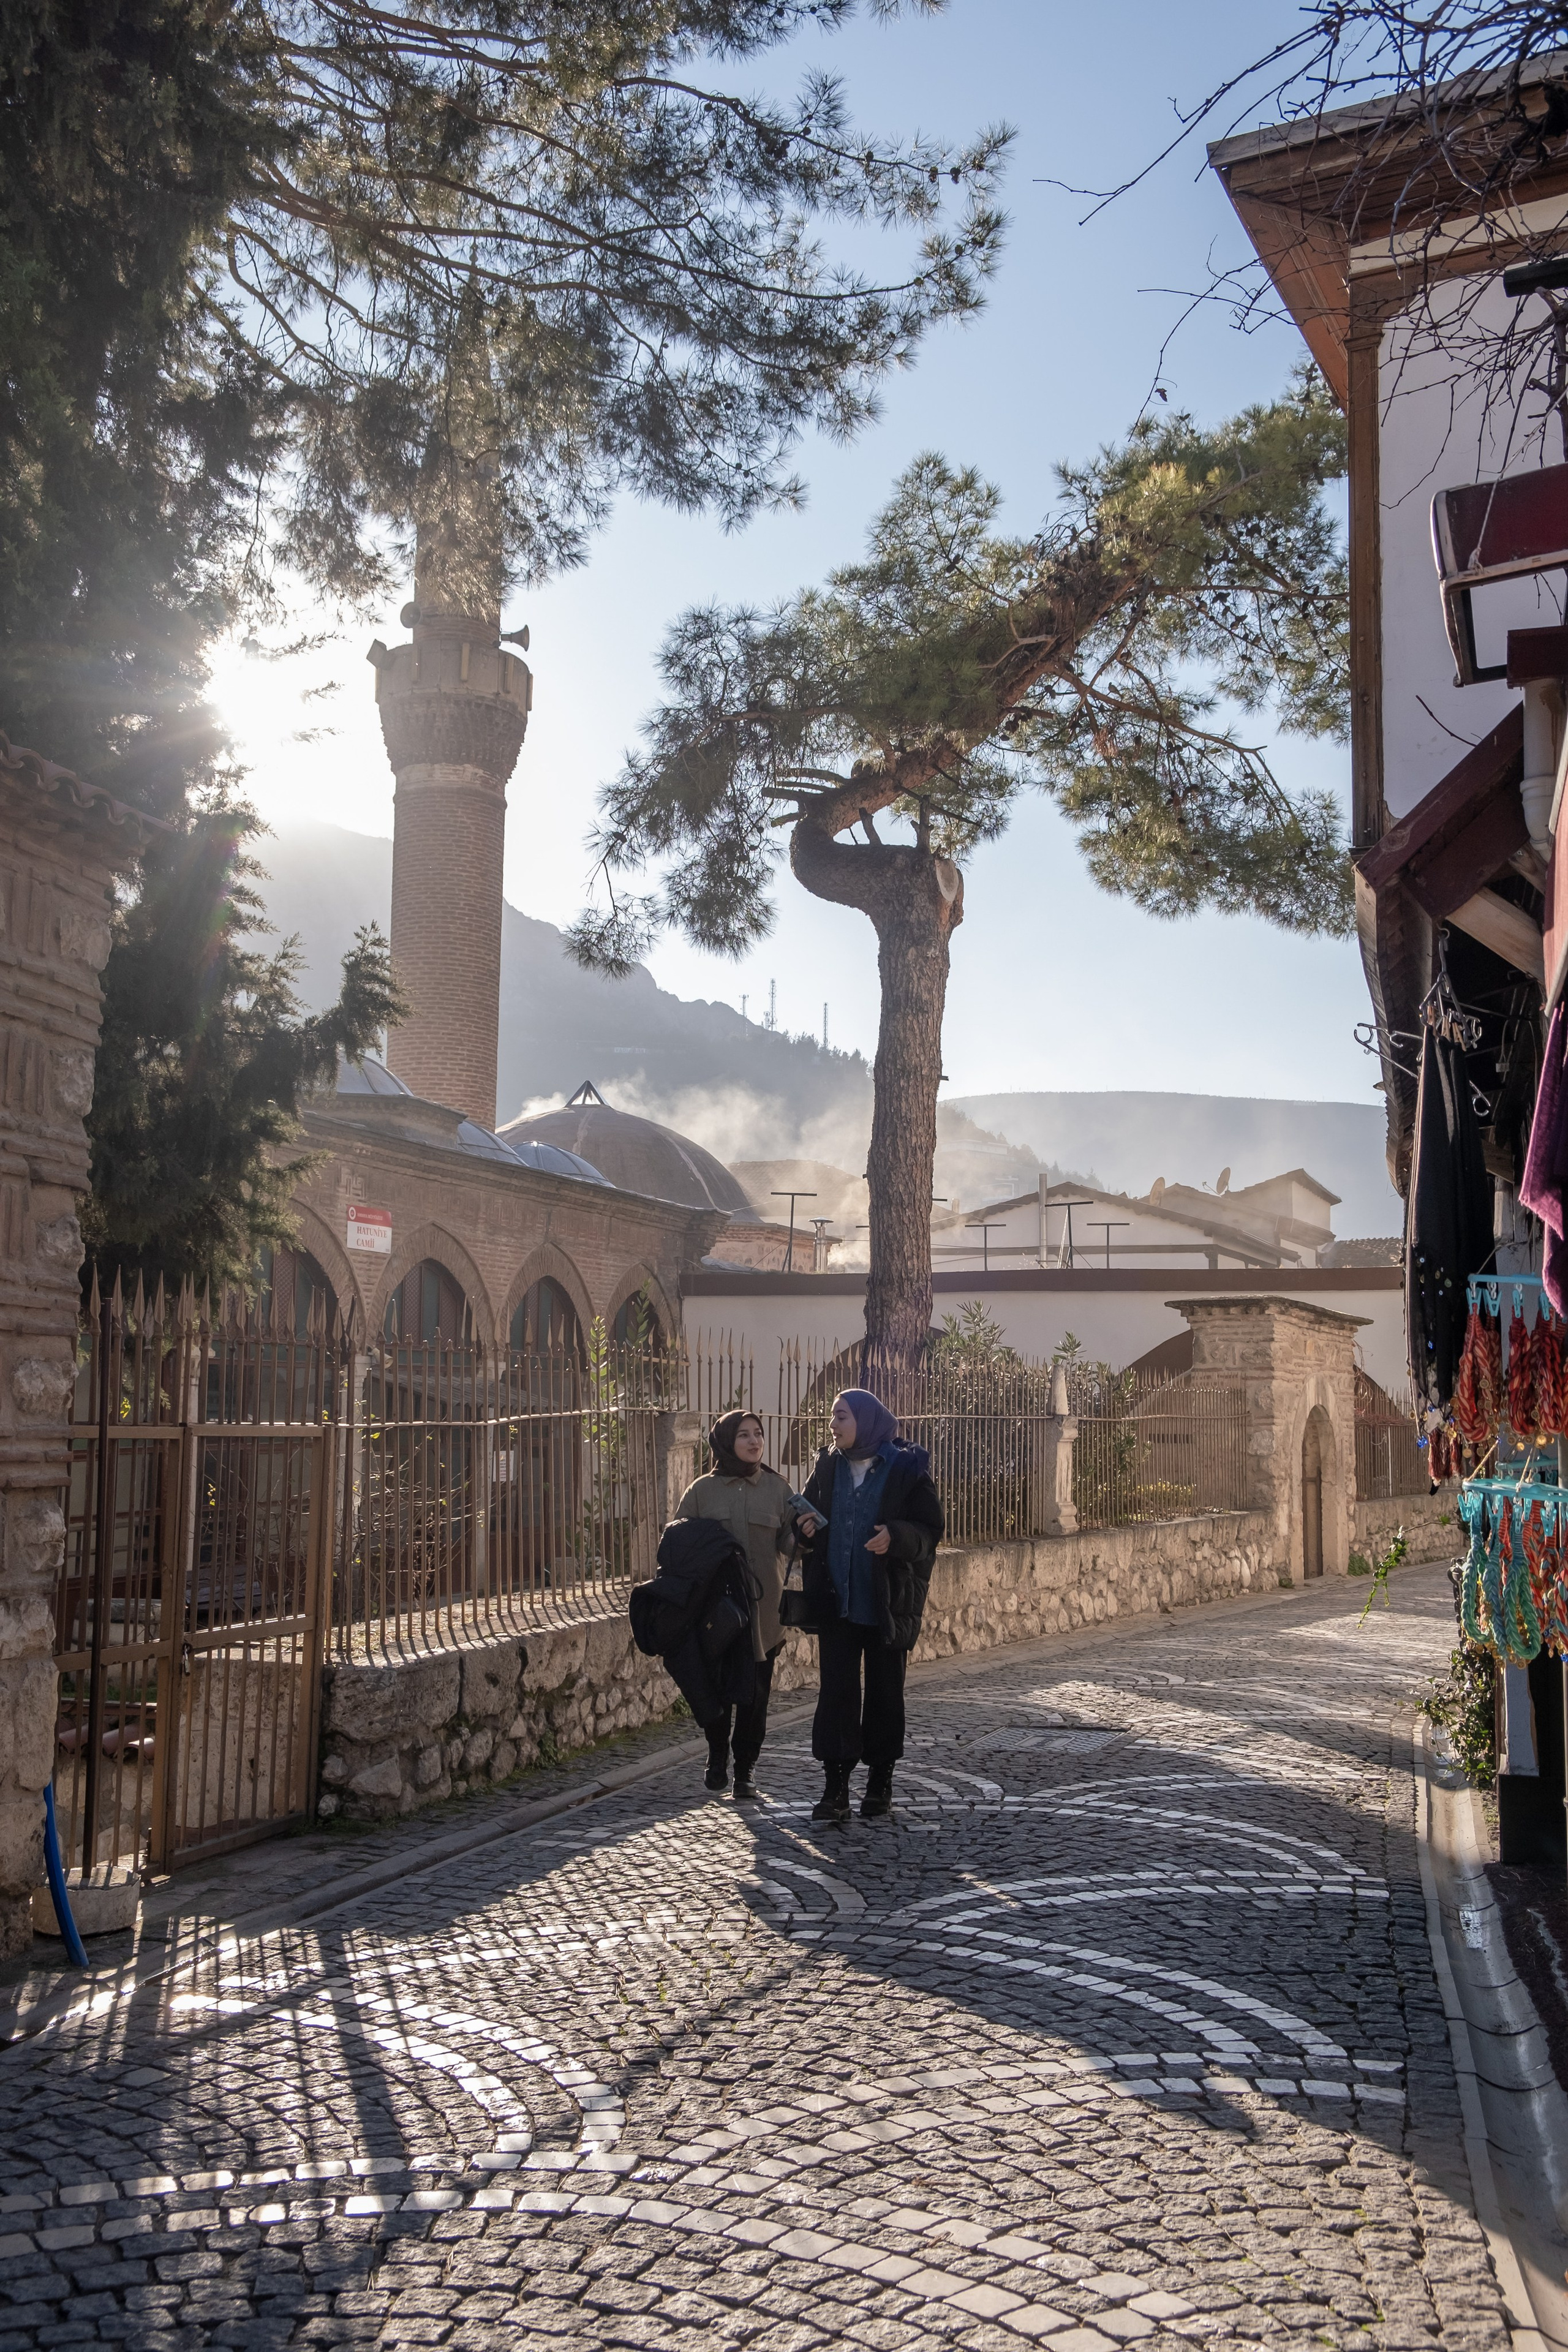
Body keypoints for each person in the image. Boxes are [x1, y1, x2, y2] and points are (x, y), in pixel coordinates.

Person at [795, 1386, 943, 1824]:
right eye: (833, 1417)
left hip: (886, 1602)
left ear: (866, 1419)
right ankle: (835, 1787)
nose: (834, 1425)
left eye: (842, 1416)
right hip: (837, 1602)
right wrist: (803, 1530)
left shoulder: (906, 1467)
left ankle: (880, 1779)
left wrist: (896, 1536)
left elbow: (930, 1529)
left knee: (884, 1694)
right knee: (836, 1694)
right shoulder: (826, 1468)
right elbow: (809, 1523)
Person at [674, 1409, 805, 1800]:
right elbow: (679, 1546)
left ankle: (746, 1769)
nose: (754, 1442)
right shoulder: (701, 1491)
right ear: (726, 1441)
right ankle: (717, 1756)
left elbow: (788, 1545)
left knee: (755, 1697)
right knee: (717, 1692)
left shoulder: (778, 1489)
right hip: (716, 1614)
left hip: (764, 1617)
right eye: (744, 1435)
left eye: (759, 1434)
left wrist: (805, 1535)